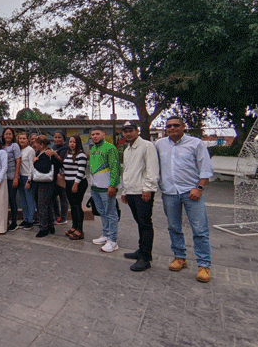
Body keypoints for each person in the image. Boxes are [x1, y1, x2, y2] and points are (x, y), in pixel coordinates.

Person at [155, 116, 214, 283]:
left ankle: (204, 265)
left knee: (200, 230)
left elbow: (206, 168)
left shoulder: (196, 144)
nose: (172, 128)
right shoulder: (160, 144)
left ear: (183, 126)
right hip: (170, 192)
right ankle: (180, 257)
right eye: (169, 126)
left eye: (176, 125)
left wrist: (200, 188)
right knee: (173, 227)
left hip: (191, 192)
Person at [119, 122, 160, 272]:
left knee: (145, 224)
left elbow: (152, 169)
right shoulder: (128, 149)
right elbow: (128, 171)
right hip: (131, 191)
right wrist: (125, 191)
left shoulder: (147, 146)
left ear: (137, 131)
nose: (128, 134)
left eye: (131, 131)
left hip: (142, 192)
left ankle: (145, 257)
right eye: (125, 131)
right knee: (139, 223)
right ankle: (141, 250)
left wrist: (148, 189)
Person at [89, 127, 122, 253]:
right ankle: (106, 234)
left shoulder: (110, 148)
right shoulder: (93, 149)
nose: (95, 136)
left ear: (104, 134)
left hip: (106, 187)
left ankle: (113, 240)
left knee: (111, 213)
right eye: (92, 134)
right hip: (95, 187)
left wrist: (113, 185)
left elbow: (115, 168)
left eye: (97, 134)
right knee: (102, 212)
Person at [26, 135, 61, 238]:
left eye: (36, 143)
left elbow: (44, 168)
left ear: (41, 144)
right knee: (48, 204)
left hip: (46, 183)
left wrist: (35, 162)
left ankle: (44, 228)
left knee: (42, 206)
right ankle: (50, 225)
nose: (34, 145)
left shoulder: (47, 153)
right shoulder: (40, 152)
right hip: (41, 183)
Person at [63, 135, 88, 240]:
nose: (72, 144)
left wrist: (76, 183)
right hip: (68, 183)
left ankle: (80, 230)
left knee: (77, 205)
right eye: (70, 142)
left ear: (78, 143)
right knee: (72, 205)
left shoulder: (81, 155)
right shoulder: (68, 153)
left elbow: (81, 171)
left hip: (78, 183)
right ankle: (74, 226)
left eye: (74, 142)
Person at [2, 128, 21, 231]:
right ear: (3, 135)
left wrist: (16, 177)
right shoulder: (1, 147)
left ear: (13, 136)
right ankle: (5, 221)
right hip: (2, 178)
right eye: (6, 134)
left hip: (11, 177)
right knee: (3, 200)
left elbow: (18, 161)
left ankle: (14, 222)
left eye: (10, 134)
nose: (8, 136)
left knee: (12, 200)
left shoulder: (15, 146)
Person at [50, 131, 70, 225]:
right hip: (53, 175)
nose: (57, 139)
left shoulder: (66, 148)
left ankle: (63, 217)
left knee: (63, 196)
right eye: (55, 137)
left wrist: (54, 155)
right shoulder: (54, 147)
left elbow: (62, 160)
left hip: (62, 175)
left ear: (64, 139)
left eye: (59, 137)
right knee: (53, 196)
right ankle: (57, 215)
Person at [17, 132, 35, 230]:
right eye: (20, 138)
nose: (22, 140)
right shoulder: (18, 150)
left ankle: (30, 220)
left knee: (29, 200)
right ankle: (25, 218)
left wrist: (29, 179)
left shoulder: (30, 150)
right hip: (20, 177)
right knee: (23, 200)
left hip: (27, 177)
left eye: (24, 138)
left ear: (27, 140)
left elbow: (32, 166)